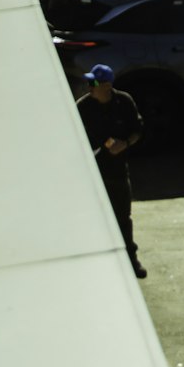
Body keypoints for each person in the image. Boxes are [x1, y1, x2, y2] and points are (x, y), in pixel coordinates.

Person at [76, 63, 146, 278]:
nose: (90, 86)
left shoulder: (123, 102)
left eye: (94, 83)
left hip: (116, 170)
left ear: (106, 86)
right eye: (89, 82)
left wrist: (124, 144)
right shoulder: (83, 107)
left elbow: (137, 129)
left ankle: (130, 259)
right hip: (92, 171)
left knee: (123, 217)